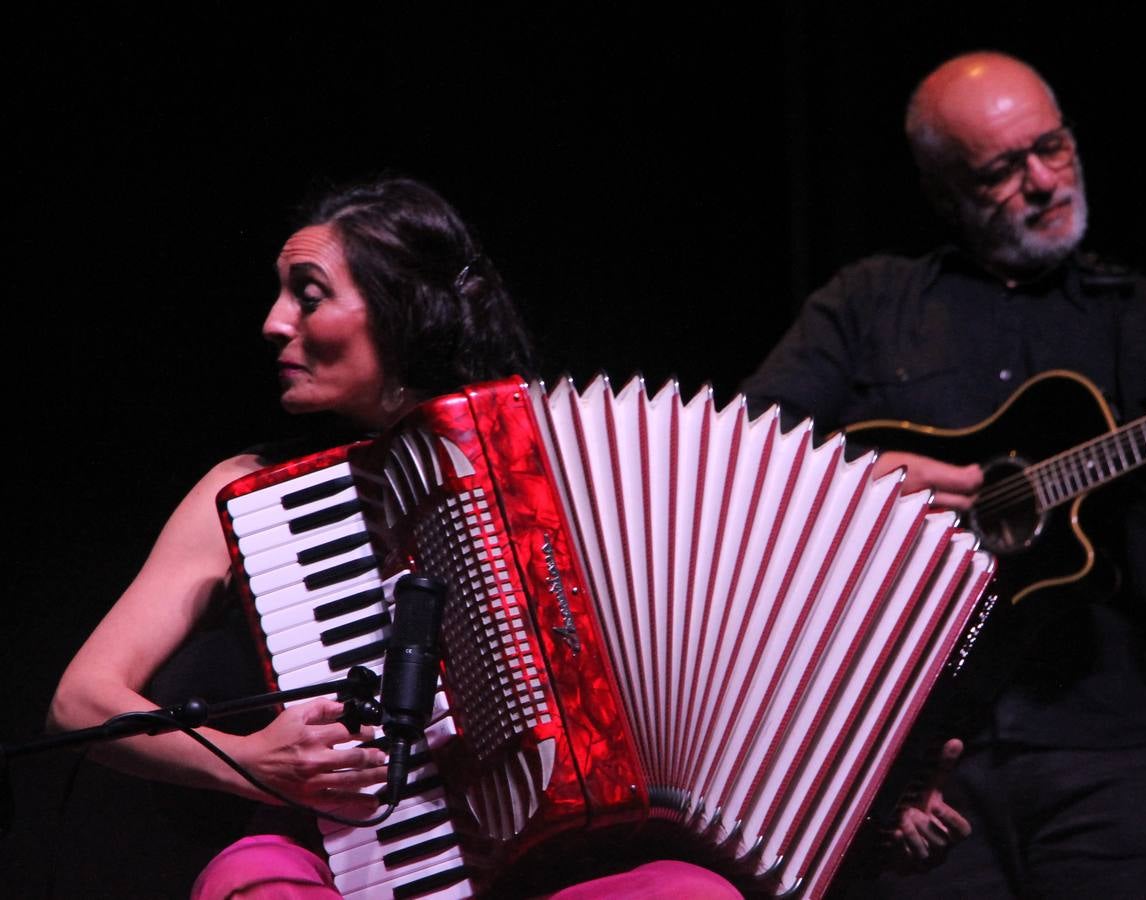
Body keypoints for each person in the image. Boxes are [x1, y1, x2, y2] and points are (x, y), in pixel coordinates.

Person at [47, 177, 738, 899]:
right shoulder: (249, 488)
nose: (274, 323)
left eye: (308, 296)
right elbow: (81, 701)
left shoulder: (562, 472)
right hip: (324, 849)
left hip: (555, 858)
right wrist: (250, 759)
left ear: (405, 311)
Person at [742, 53, 1146, 897]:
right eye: (1002, 168)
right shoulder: (868, 303)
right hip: (919, 754)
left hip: (1112, 744)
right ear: (942, 189)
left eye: (1053, 147)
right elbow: (747, 452)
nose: (1042, 180)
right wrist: (864, 476)